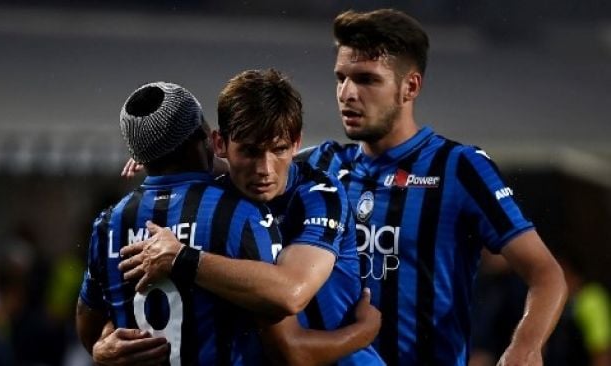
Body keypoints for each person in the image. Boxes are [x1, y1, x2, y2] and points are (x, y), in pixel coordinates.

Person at [294, 8, 567, 365]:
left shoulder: (459, 168)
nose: (347, 93)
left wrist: (525, 345)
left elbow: (546, 274)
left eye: (367, 79)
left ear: (410, 86)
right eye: (341, 78)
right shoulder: (321, 166)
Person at [78, 80, 380, 365]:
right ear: (217, 144)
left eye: (279, 149)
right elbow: (290, 351)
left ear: (295, 144)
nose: (264, 169)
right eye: (249, 151)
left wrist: (183, 257)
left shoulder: (318, 193)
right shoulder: (235, 209)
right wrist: (102, 346)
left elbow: (291, 294)